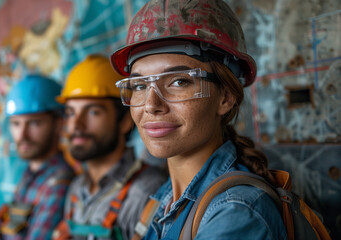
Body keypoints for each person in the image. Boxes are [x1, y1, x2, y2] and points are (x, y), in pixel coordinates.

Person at [110, 0, 287, 239]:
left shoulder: (236, 212)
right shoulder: (162, 200)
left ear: (225, 96)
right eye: (140, 85)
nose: (151, 105)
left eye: (179, 81)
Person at [52, 55, 167, 240]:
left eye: (93, 112)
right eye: (70, 112)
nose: (76, 125)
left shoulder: (147, 191)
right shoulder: (76, 190)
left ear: (124, 121)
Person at [0, 74, 75, 240]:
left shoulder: (59, 182)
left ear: (59, 124)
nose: (22, 135)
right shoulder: (29, 174)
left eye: (34, 123)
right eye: (16, 124)